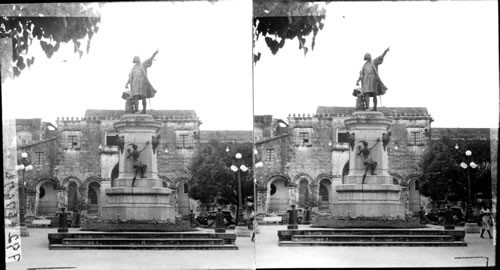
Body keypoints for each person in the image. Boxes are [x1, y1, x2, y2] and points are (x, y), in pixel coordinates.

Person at [125, 50, 159, 114]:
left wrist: (154, 53)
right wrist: (127, 83)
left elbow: (150, 59)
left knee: (144, 97)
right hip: (135, 84)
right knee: (135, 97)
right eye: (135, 59)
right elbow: (130, 77)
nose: (136, 60)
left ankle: (144, 110)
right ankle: (137, 111)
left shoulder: (143, 64)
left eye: (137, 59)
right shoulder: (133, 68)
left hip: (142, 83)